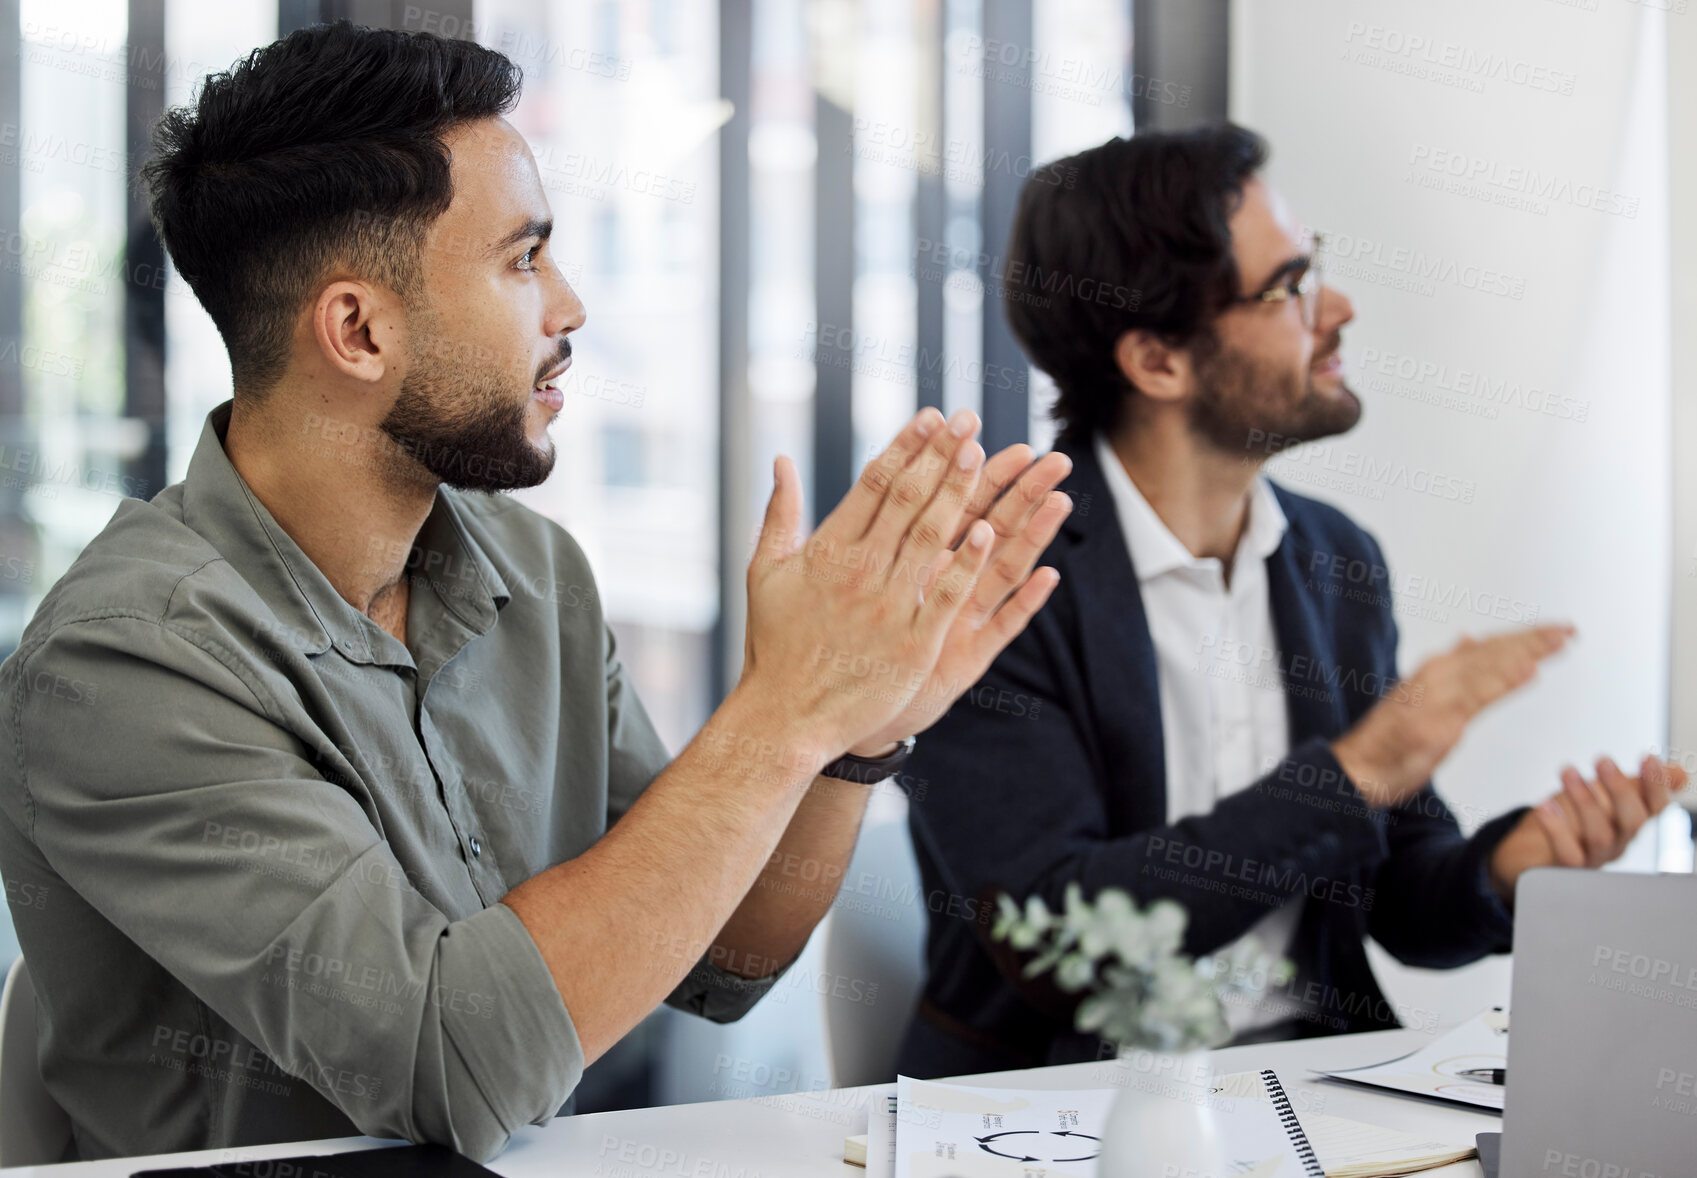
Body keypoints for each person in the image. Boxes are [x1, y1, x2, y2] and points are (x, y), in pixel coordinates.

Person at [0, 24, 1076, 1162]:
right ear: (358, 329)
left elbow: (717, 960)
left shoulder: (532, 573)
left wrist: (854, 736)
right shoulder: (124, 663)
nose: (567, 306)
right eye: (523, 258)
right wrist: (783, 709)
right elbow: (451, 1067)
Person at [895, 124, 1685, 1078]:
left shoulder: (1334, 560)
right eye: (1290, 286)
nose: (1337, 308)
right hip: (1062, 1111)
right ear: (1156, 360)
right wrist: (1350, 774)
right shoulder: (994, 583)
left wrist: (1510, 868)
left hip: (1315, 1088)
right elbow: (1064, 938)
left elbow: (1397, 897)